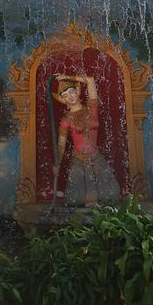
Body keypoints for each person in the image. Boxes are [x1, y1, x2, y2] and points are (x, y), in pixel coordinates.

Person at [53, 73, 119, 207]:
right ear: (63, 100)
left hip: (96, 158)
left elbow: (90, 80)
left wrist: (67, 77)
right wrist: (57, 164)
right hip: (78, 161)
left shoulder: (91, 109)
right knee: (74, 201)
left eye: (71, 92)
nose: (70, 96)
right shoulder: (66, 120)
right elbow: (61, 145)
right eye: (65, 95)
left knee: (111, 196)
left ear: (77, 92)